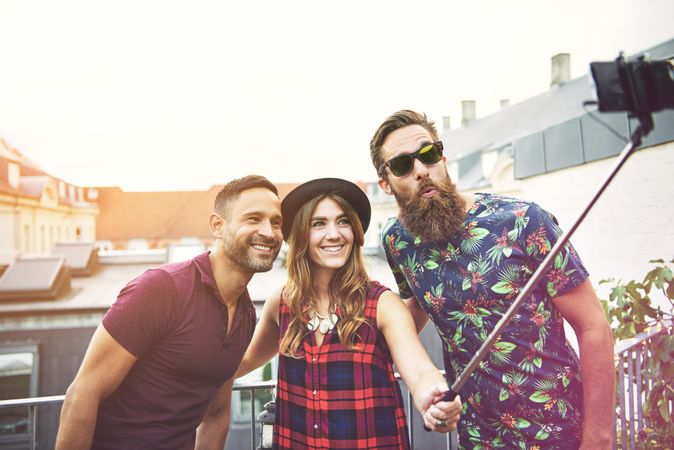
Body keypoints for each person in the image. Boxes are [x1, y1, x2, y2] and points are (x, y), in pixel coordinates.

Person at [369, 110, 615, 450]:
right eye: (402, 166)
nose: (421, 171)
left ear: (442, 157)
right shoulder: (398, 242)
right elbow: (418, 305)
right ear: (386, 184)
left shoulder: (524, 221)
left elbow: (593, 327)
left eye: (428, 154)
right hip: (478, 436)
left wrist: (599, 438)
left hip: (560, 429)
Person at [55, 175, 284, 450]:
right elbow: (82, 394)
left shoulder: (246, 314)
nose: (269, 232)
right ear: (218, 226)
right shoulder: (161, 289)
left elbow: (216, 414)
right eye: (253, 218)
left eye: (276, 222)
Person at [236, 177, 462, 450]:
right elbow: (244, 360)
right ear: (300, 236)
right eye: (318, 223)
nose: (334, 233)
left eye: (343, 221)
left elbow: (420, 371)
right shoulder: (282, 303)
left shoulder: (383, 304)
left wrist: (433, 396)